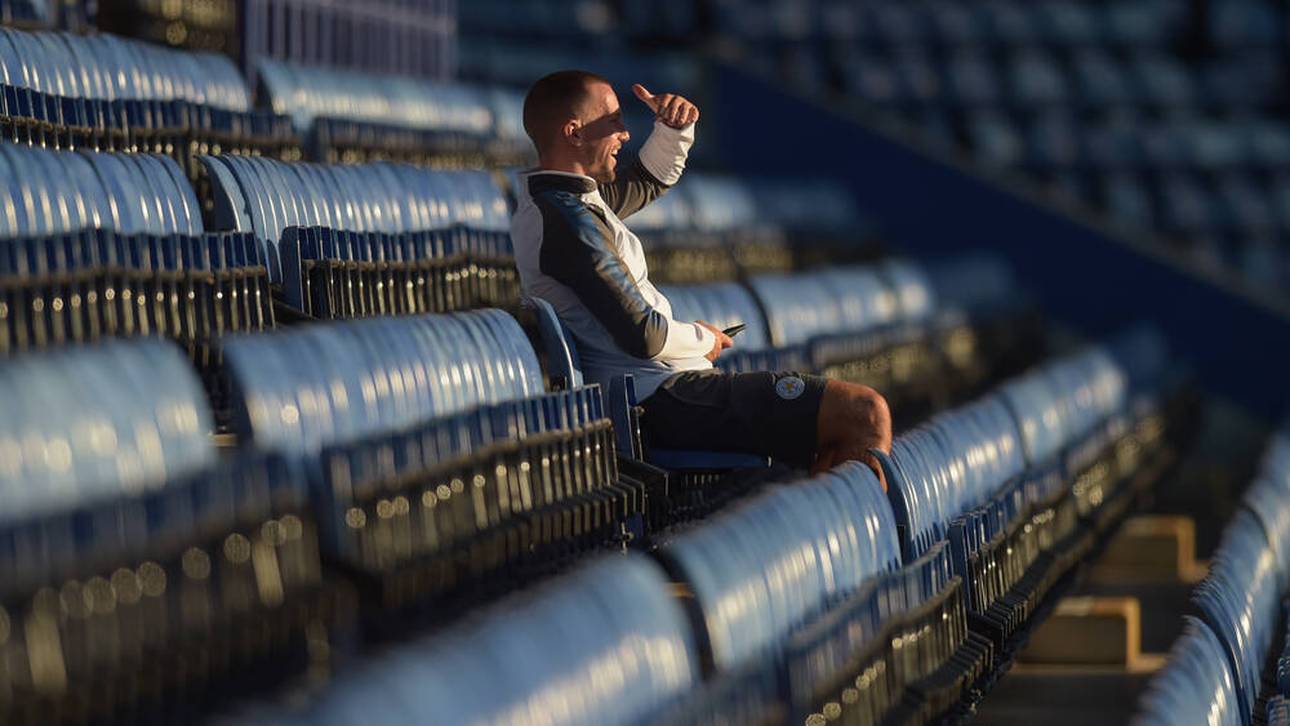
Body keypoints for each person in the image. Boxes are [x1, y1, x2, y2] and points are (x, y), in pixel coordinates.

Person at [510, 69, 892, 486]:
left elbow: (646, 182)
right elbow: (645, 335)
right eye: (613, 121)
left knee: (842, 427)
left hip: (665, 390)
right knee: (863, 412)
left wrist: (674, 131)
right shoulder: (566, 220)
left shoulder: (570, 202)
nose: (624, 133)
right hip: (659, 400)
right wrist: (704, 339)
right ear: (574, 133)